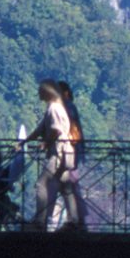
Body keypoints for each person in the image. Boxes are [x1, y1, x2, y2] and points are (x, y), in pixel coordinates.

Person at [29, 79, 75, 232]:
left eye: (41, 91)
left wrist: (46, 144)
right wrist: (24, 142)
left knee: (41, 185)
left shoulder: (54, 108)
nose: (38, 94)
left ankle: (39, 221)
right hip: (65, 154)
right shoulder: (55, 107)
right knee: (66, 187)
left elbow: (55, 131)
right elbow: (40, 129)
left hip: (58, 153)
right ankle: (74, 221)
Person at [56, 80, 88, 231]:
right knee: (70, 186)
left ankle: (76, 220)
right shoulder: (69, 106)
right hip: (73, 151)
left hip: (69, 151)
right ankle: (77, 219)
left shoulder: (66, 107)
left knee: (69, 186)